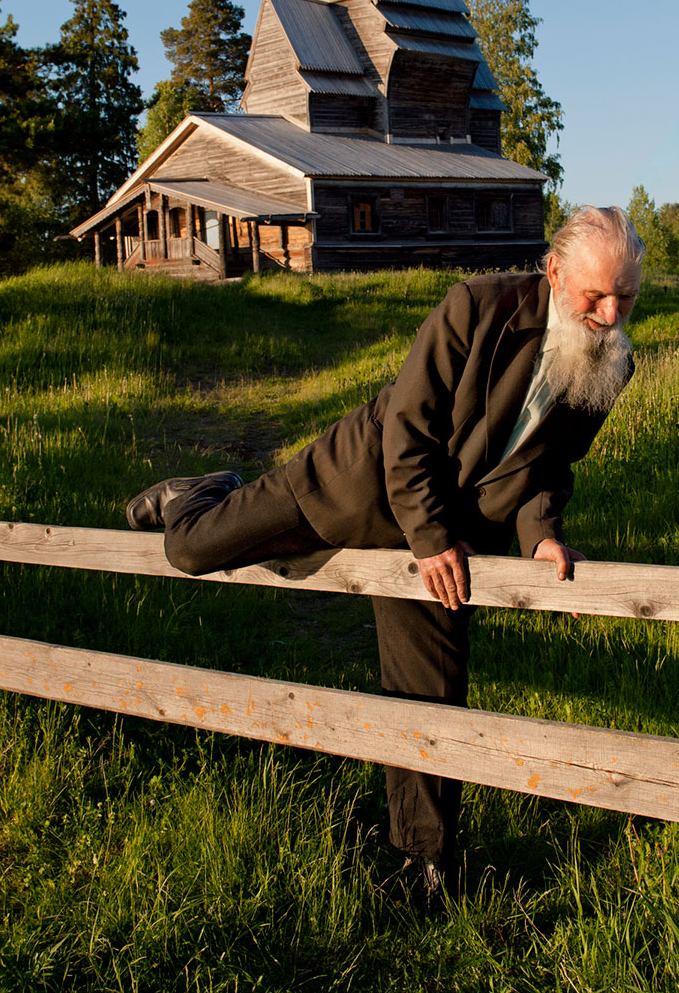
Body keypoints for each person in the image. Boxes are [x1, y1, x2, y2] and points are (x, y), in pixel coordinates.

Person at [124, 206, 644, 896]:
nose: (610, 314)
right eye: (595, 296)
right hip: (356, 486)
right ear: (553, 273)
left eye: (626, 297)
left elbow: (549, 469)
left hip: (447, 535)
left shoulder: (614, 360)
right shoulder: (476, 307)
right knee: (191, 549)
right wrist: (429, 538)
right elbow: (408, 429)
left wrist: (541, 534)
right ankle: (198, 490)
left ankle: (425, 865)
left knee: (431, 689)